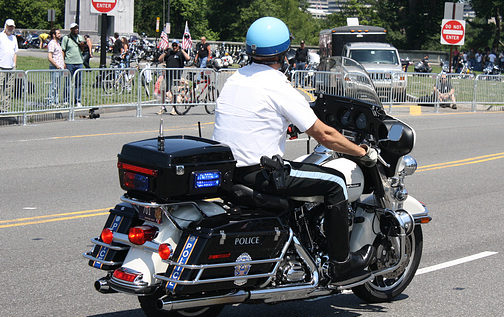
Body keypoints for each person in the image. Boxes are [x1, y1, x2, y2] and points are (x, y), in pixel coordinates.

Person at [212, 17, 377, 285]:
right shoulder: (277, 85)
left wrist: (286, 126)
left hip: (229, 172)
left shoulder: (236, 78)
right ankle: (342, 265)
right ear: (285, 53)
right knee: (335, 183)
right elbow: (324, 135)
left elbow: (255, 117)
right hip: (260, 174)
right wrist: (361, 152)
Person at [0, 18, 19, 113]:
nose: (10, 28)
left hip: (11, 67)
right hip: (0, 65)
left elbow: (15, 52)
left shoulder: (14, 38)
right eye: (9, 26)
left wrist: (14, 65)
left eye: (12, 27)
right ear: (5, 26)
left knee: (8, 89)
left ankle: (5, 108)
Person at [158, 39, 190, 114]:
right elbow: (160, 59)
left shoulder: (180, 53)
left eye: (176, 45)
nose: (174, 47)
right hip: (168, 75)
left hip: (176, 75)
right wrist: (165, 52)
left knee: (174, 91)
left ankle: (174, 108)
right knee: (163, 90)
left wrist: (182, 50)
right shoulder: (169, 53)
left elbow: (188, 58)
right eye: (173, 45)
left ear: (178, 45)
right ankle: (163, 107)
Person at [61, 22, 85, 107]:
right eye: (75, 28)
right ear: (71, 30)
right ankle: (66, 100)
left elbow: (82, 50)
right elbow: (63, 50)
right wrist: (63, 62)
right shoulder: (66, 38)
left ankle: (77, 100)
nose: (76, 30)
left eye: (77, 28)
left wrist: (82, 45)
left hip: (79, 62)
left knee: (78, 83)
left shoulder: (80, 38)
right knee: (67, 82)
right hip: (69, 62)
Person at [47, 28, 65, 106]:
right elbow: (49, 57)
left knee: (57, 86)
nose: (60, 35)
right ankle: (50, 101)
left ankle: (56, 101)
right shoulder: (52, 43)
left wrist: (63, 64)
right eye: (58, 33)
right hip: (55, 67)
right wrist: (56, 65)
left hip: (60, 68)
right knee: (54, 85)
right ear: (54, 35)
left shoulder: (58, 43)